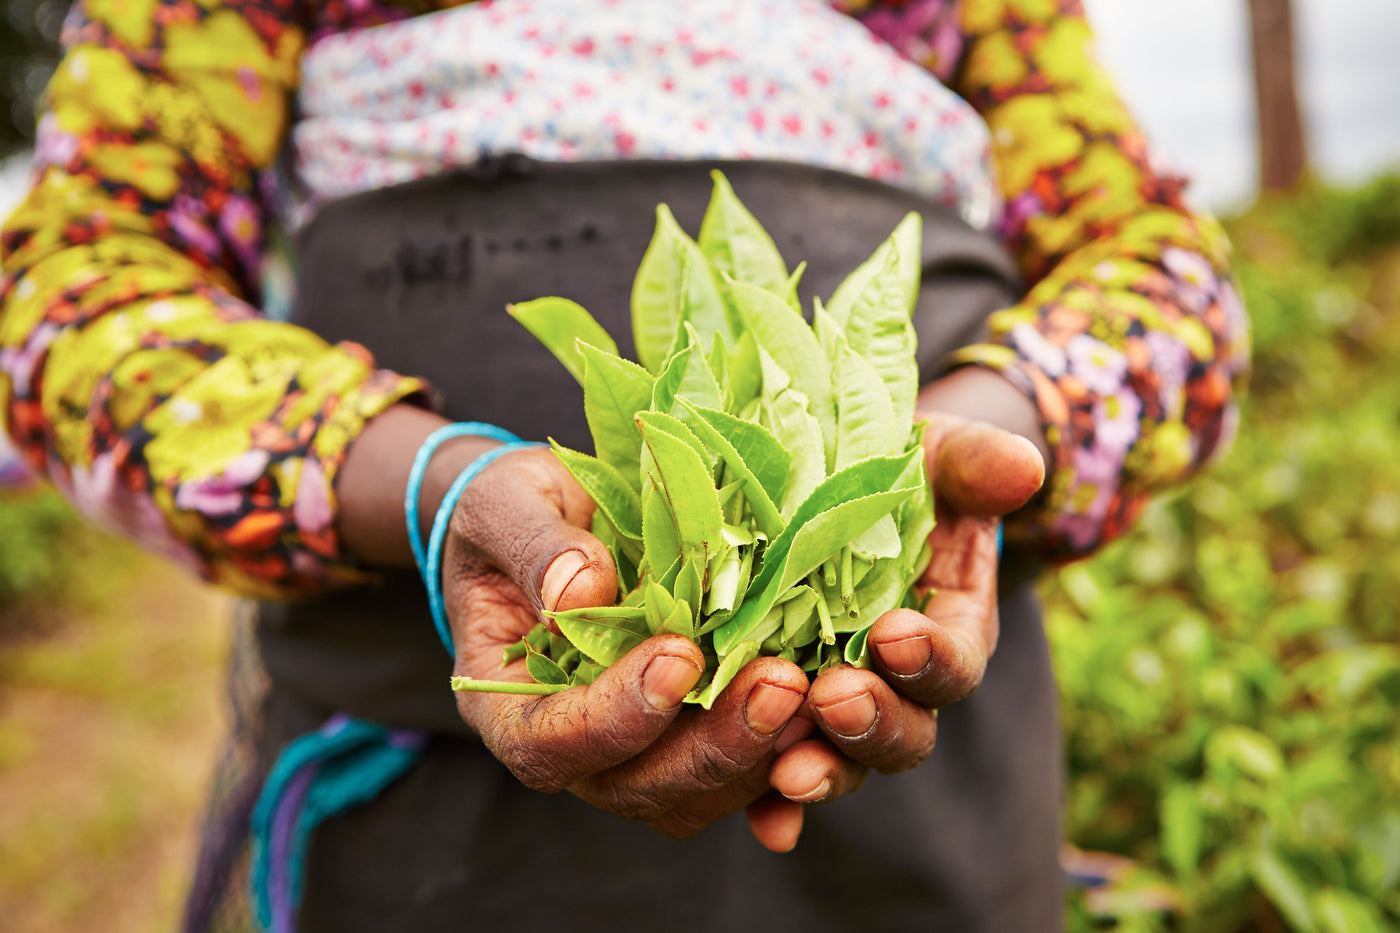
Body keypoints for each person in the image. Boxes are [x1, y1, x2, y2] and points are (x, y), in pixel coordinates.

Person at [0, 0, 1249, 930]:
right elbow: (69, 288)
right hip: (416, 785)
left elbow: (1163, 278)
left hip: (913, 769)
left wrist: (968, 434)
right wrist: (429, 480)